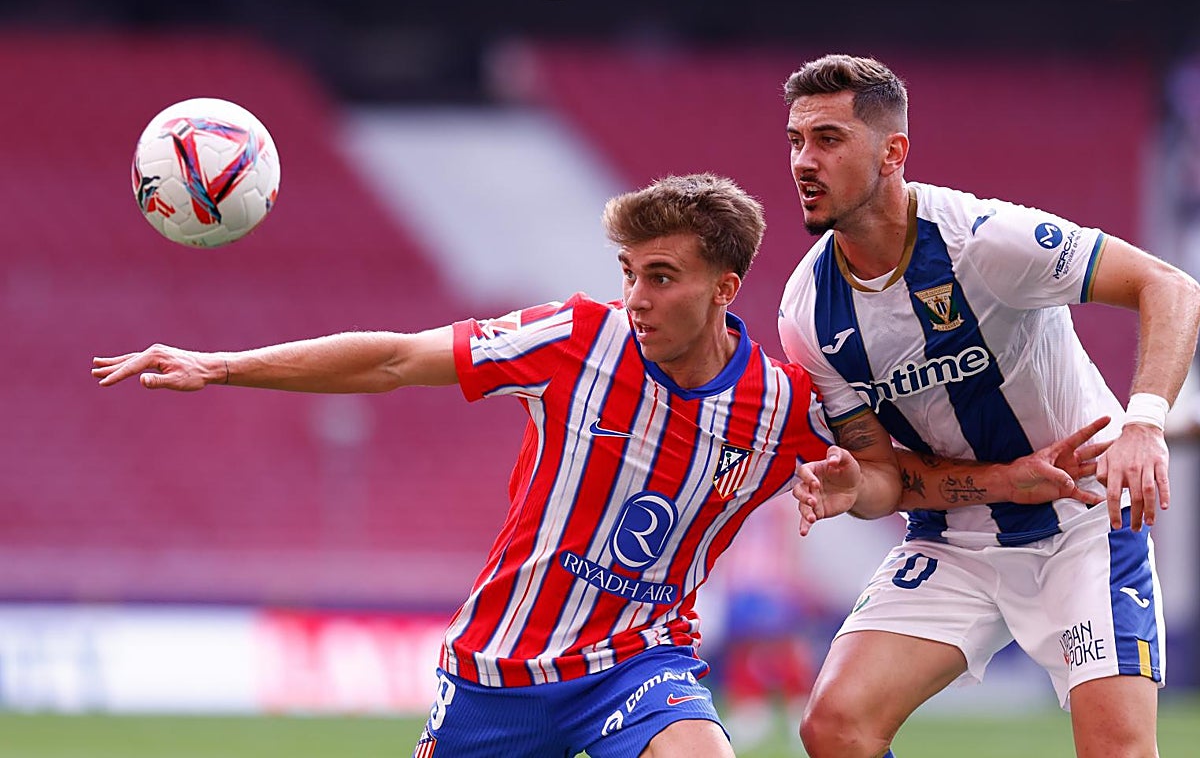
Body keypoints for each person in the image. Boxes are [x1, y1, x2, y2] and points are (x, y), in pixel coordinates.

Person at [95, 173, 1104, 758]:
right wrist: (225, 366)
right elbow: (397, 356)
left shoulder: (786, 402)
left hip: (638, 667)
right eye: (629, 274)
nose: (637, 298)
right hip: (498, 671)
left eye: (661, 278)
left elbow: (896, 479)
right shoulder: (570, 341)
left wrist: (994, 483)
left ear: (725, 287)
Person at [777, 54, 1200, 758]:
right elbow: (887, 478)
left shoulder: (983, 241)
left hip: (1083, 521)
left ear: (892, 152)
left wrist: (1145, 422)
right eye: (795, 141)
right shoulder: (807, 314)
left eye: (827, 139)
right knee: (835, 728)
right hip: (956, 538)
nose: (803, 162)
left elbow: (1170, 287)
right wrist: (860, 487)